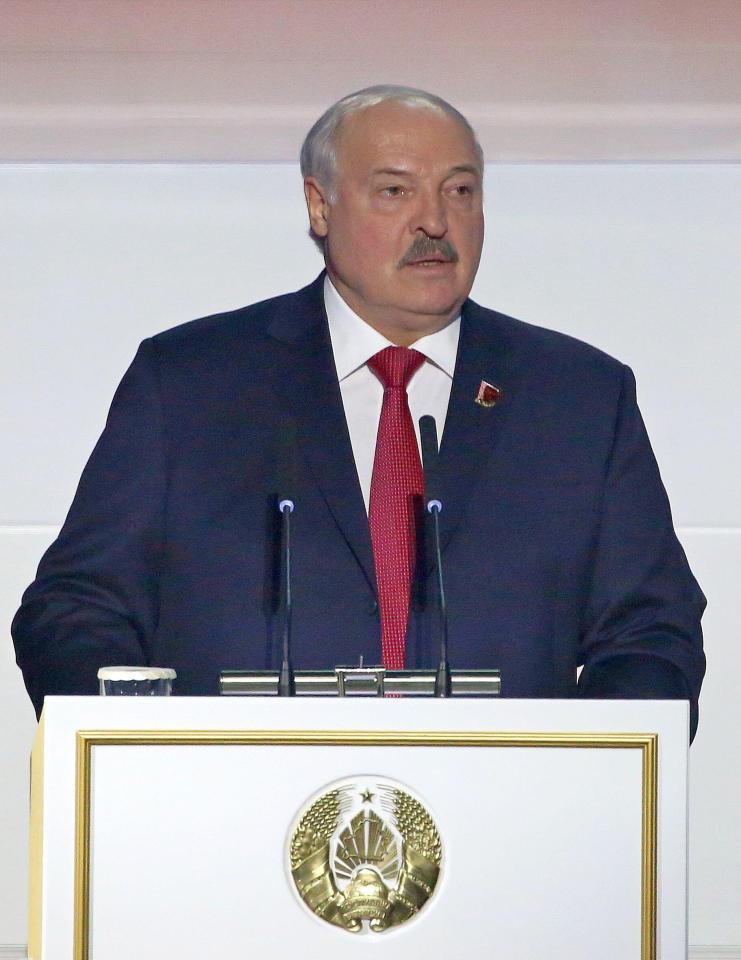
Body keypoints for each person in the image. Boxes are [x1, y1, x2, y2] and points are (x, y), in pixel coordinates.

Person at [12, 85, 706, 736]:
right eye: (394, 191)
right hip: (229, 824)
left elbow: (650, 633)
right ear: (320, 206)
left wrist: (591, 775)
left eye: (460, 190)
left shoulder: (576, 398)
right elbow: (77, 609)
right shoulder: (192, 383)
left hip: (510, 833)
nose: (435, 221)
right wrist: (136, 749)